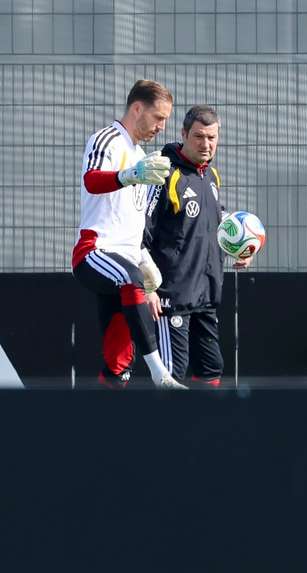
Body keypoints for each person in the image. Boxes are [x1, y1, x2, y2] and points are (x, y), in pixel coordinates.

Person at [71, 79, 186, 389]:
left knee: (119, 363)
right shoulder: (107, 139)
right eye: (158, 117)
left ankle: (102, 426)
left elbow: (132, 224)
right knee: (129, 277)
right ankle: (161, 374)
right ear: (137, 108)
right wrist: (129, 175)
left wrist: (146, 265)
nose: (162, 126)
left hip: (126, 262)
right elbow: (92, 181)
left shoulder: (140, 157)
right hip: (94, 252)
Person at [144, 105, 251, 387]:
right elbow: (141, 233)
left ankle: (205, 430)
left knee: (211, 368)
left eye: (212, 138)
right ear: (184, 134)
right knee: (170, 375)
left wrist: (240, 248)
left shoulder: (211, 176)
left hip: (205, 295)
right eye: (199, 137)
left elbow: (213, 225)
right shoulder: (164, 174)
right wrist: (149, 287)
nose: (206, 144)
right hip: (171, 298)